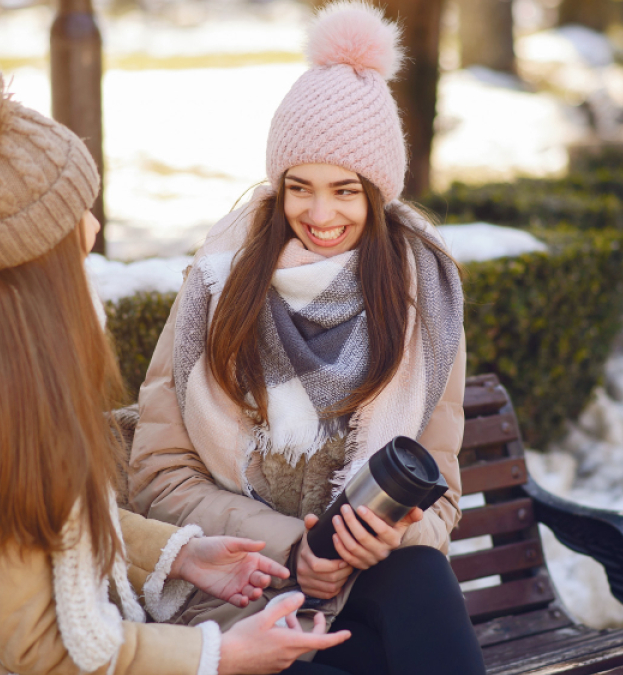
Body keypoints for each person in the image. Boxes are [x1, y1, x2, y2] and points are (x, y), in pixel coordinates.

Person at [0, 52, 349, 675]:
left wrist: (180, 555)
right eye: (76, 216)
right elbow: (40, 648)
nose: (92, 230)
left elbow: (49, 523)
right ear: (32, 259)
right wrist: (221, 655)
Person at [129, 4, 486, 674]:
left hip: (369, 578)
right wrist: (297, 548)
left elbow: (441, 494)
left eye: (345, 191)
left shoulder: (424, 297)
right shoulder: (219, 282)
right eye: (300, 188)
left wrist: (387, 536)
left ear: (377, 194)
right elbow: (157, 477)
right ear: (278, 184)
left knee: (422, 579)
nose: (321, 216)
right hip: (243, 584)